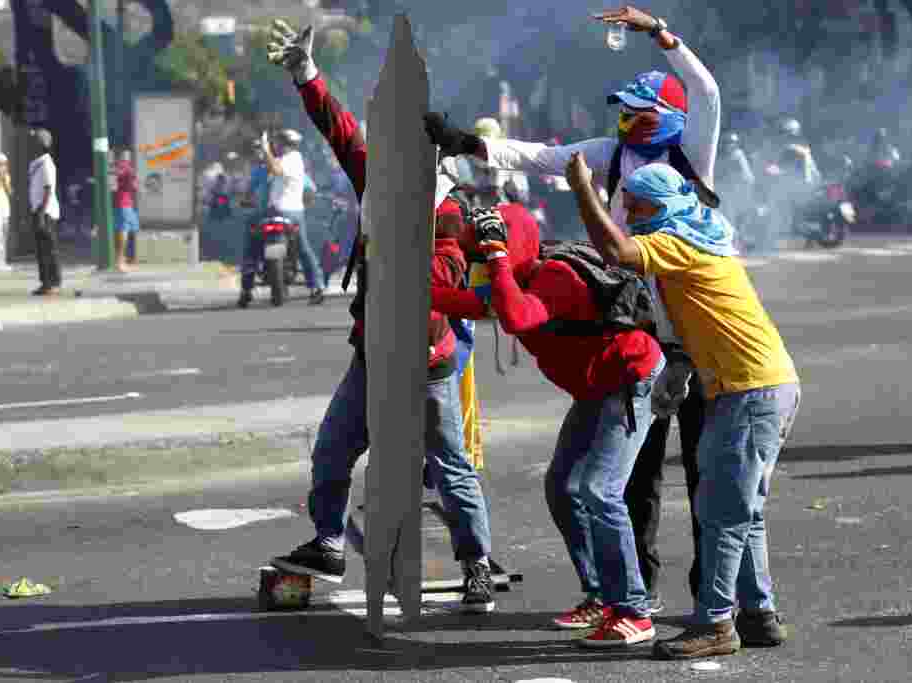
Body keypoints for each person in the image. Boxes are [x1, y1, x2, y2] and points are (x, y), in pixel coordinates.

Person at [425, 3, 720, 616]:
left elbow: (706, 89)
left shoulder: (693, 153)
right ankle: (627, 595)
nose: (627, 121)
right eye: (624, 110)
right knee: (631, 485)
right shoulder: (609, 156)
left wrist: (661, 35)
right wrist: (470, 144)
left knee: (707, 478)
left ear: (669, 119)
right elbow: (537, 157)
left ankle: (718, 605)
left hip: (694, 334)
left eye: (639, 112)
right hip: (638, 328)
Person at [264, 19, 498, 612]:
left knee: (451, 467)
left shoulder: (446, 216)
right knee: (332, 450)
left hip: (424, 361)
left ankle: (476, 568)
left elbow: (440, 287)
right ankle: (329, 542)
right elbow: (340, 131)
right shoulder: (380, 174)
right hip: (374, 352)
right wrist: (305, 74)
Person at [567, 154, 801, 660]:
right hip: (755, 385)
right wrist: (679, 365)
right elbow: (697, 318)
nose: (628, 214)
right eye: (624, 205)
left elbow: (615, 251)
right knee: (743, 510)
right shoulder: (700, 231)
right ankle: (757, 613)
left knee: (721, 511)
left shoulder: (676, 241)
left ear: (662, 206)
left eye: (636, 205)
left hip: (751, 391)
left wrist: (584, 190)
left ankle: (717, 623)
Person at [431, 201, 664, 648]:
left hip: (629, 380)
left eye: (483, 257)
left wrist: (496, 254)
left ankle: (634, 609)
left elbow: (517, 317)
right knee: (562, 485)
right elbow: (468, 302)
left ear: (510, 249)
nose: (478, 267)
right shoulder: (513, 279)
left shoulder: (554, 277)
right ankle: (600, 596)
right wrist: (408, 287)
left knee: (600, 489)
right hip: (597, 388)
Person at [260, 128, 325, 305]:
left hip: (288, 212)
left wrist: (265, 149)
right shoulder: (285, 159)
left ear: (286, 144)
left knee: (303, 248)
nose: (276, 145)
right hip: (283, 211)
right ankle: (309, 285)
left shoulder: (293, 159)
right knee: (300, 249)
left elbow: (275, 169)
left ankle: (316, 285)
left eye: (278, 142)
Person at [28, 128, 61, 296]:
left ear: (42, 144)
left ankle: (53, 283)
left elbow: (48, 189)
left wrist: (41, 213)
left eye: (35, 141)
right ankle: (45, 282)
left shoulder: (46, 163)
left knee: (48, 248)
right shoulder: (37, 163)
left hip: (45, 212)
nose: (32, 143)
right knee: (41, 250)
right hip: (38, 210)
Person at [113, 149, 139, 271]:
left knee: (122, 231)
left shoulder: (116, 168)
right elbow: (134, 186)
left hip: (118, 203)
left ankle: (121, 259)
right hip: (125, 203)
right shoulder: (128, 168)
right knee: (124, 231)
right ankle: (120, 261)